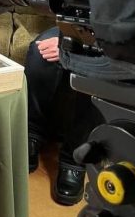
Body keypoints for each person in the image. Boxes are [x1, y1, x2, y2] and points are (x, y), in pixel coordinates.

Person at [26, 27, 104, 205]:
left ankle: (74, 160)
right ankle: (31, 134)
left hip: (110, 40)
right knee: (39, 53)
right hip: (77, 26)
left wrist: (77, 47)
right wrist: (66, 39)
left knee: (95, 74)